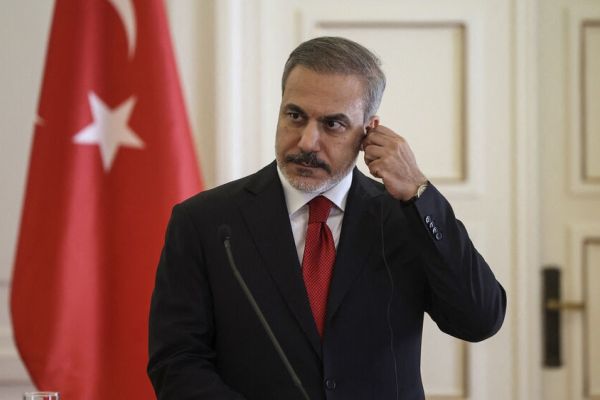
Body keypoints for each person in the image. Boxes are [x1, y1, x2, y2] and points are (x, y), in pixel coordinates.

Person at [147, 36, 506, 400]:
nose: (307, 142)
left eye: (332, 124)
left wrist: (419, 193)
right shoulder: (206, 222)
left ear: (369, 132)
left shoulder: (405, 218)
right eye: (295, 116)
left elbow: (479, 320)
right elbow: (177, 361)